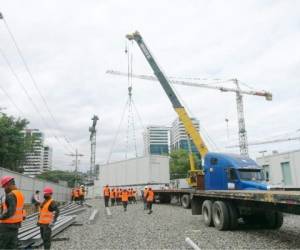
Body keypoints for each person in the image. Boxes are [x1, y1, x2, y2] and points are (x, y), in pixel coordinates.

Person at [0, 176, 25, 249]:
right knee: (12, 246)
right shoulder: (20, 194)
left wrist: (1, 217)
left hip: (6, 226)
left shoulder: (10, 195)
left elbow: (11, 211)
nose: (4, 188)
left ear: (8, 184)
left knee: (3, 246)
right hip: (16, 225)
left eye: (4, 186)